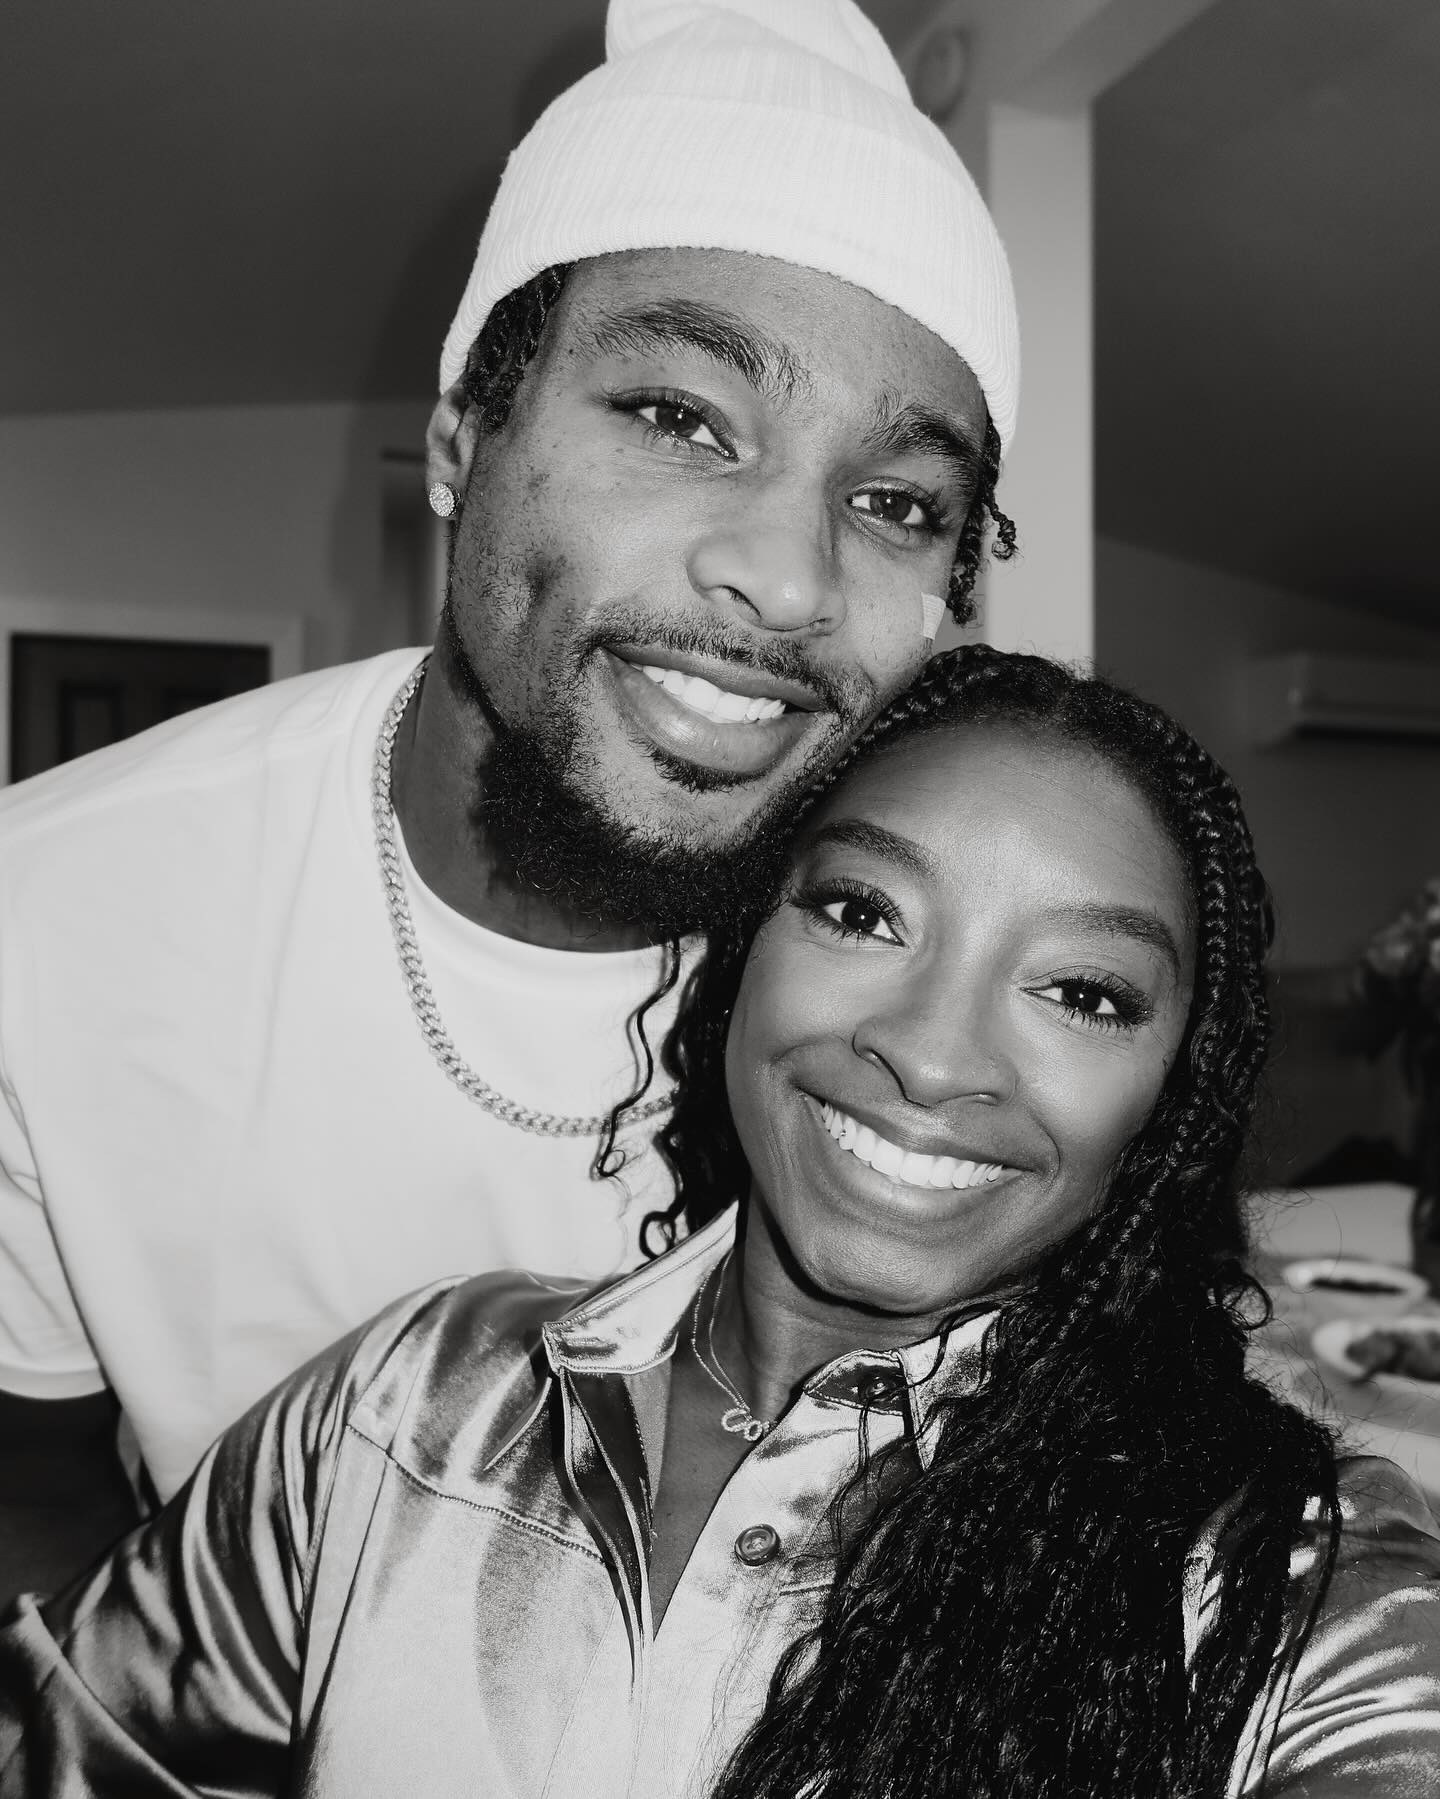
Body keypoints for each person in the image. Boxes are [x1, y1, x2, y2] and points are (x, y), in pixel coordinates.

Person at [5, 646, 1438, 1798]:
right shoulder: (404, 1412)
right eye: (865, 912)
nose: (933, 1055)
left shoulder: (1285, 1580)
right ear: (746, 951)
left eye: (1084, 994)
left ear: (1166, 1107)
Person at [0, 0, 1020, 1591]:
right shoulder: (55, 920)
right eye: (682, 419)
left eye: (897, 503)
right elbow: (32, 1493)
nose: (786, 574)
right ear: (462, 443)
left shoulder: (950, 985)